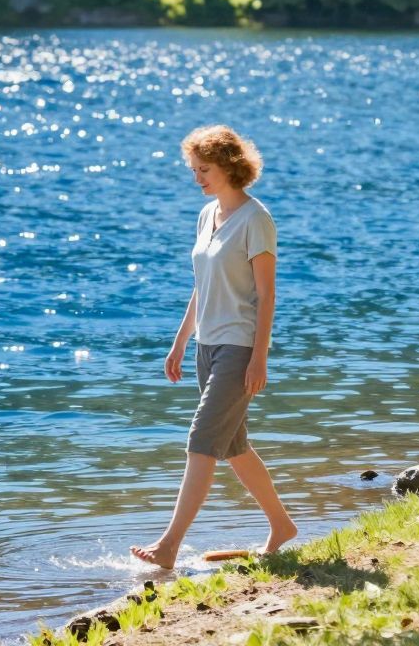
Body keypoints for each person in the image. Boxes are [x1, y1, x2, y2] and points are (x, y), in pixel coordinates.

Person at [131, 125, 298, 567]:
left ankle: (169, 545)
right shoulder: (208, 216)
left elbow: (267, 294)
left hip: (240, 347)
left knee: (202, 439)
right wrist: (180, 342)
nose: (197, 178)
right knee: (233, 448)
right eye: (194, 170)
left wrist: (259, 357)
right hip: (208, 345)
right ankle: (282, 526)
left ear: (229, 165)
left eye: (203, 169)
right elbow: (202, 286)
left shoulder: (256, 219)